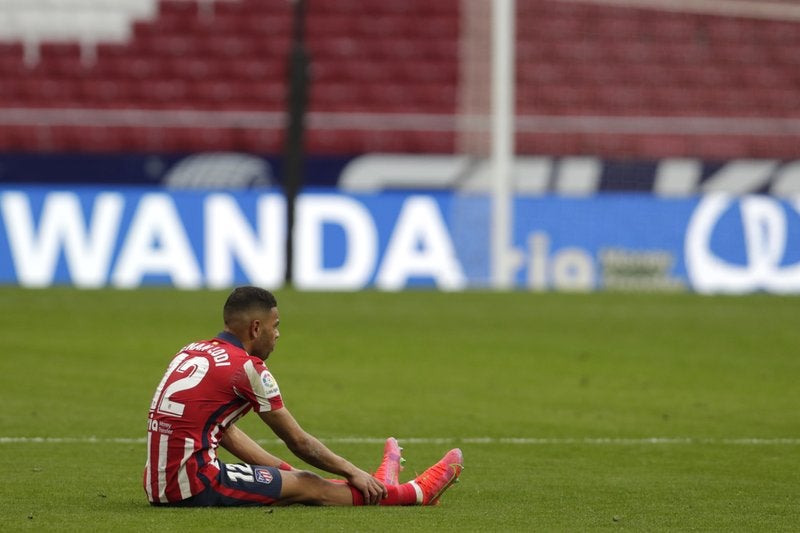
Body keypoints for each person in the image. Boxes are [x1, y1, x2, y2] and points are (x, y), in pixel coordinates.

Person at [143, 286, 463, 507]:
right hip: (193, 485)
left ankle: (382, 486)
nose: (277, 334)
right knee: (310, 485)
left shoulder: (192, 350)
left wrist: (288, 475)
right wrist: (350, 470)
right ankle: (415, 494)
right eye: (275, 326)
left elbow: (225, 432)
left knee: (301, 482)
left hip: (160, 484)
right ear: (256, 328)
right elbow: (299, 442)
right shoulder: (247, 368)